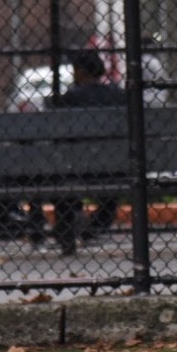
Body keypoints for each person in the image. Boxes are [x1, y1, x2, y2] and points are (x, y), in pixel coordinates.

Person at [48, 49, 126, 254]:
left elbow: (58, 138)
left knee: (62, 179)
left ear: (81, 72)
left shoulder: (70, 98)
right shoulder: (118, 96)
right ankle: (94, 226)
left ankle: (67, 228)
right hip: (117, 167)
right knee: (113, 183)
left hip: (76, 168)